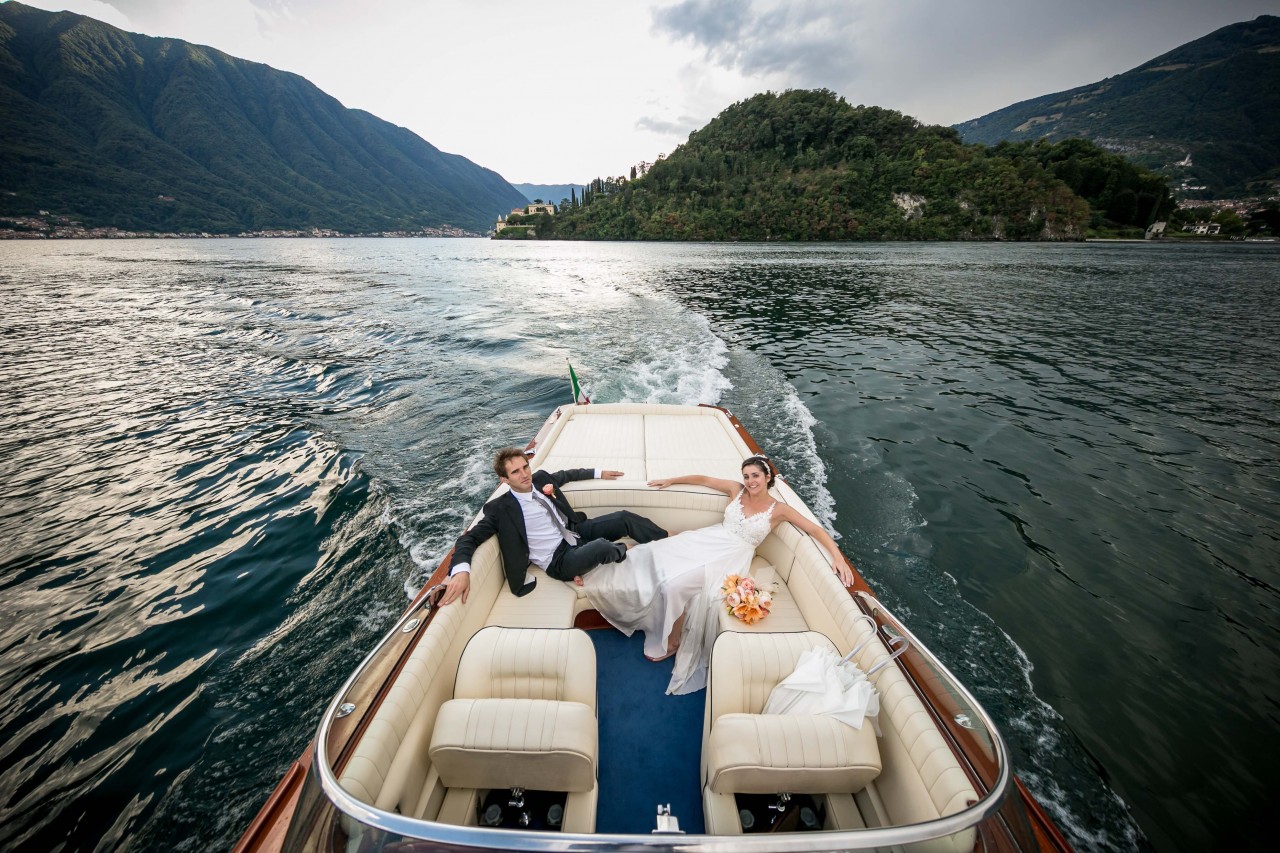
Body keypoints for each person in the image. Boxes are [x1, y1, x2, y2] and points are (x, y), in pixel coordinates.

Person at [580, 454, 853, 695]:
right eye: (746, 476)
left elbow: (815, 530)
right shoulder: (736, 490)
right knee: (651, 553)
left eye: (755, 475)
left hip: (731, 557)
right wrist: (670, 480)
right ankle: (598, 569)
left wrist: (837, 557)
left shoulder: (778, 510)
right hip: (708, 540)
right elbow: (704, 479)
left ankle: (672, 640)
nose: (749, 481)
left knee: (674, 586)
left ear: (768, 476)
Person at [438, 447, 668, 606]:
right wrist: (460, 572)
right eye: (515, 472)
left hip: (574, 531)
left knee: (623, 517)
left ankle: (667, 539)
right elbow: (468, 539)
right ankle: (622, 551)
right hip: (557, 560)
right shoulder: (499, 509)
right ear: (504, 480)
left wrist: (599, 473)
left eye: (525, 467)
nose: (524, 474)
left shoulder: (539, 479)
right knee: (601, 547)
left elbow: (567, 474)